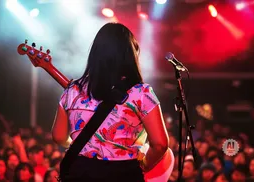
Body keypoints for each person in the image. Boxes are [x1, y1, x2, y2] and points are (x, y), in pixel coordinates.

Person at [51, 22, 169, 182]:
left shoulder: (72, 90)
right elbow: (160, 144)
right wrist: (145, 165)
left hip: (79, 172)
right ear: (130, 54)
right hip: (123, 173)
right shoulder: (141, 93)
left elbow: (58, 136)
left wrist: (82, 145)